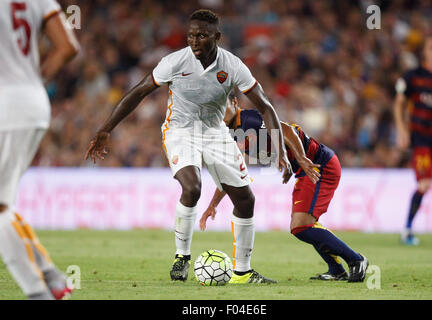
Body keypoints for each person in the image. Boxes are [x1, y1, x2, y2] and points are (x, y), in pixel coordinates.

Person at [85, 9, 292, 284]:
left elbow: (265, 106)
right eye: (191, 35)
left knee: (246, 200)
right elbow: (138, 91)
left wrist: (279, 150)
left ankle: (242, 272)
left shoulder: (233, 65)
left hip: (215, 132)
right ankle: (182, 256)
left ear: (217, 37)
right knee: (192, 187)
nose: (194, 41)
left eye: (202, 36)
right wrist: (105, 129)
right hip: (180, 131)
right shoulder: (174, 61)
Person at [200, 97, 369, 282]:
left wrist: (301, 158)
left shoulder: (248, 119)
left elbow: (286, 130)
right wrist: (213, 204)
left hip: (318, 165)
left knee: (301, 226)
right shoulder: (229, 134)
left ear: (234, 102)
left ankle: (356, 260)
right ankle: (337, 269)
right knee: (304, 225)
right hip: (302, 170)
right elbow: (231, 173)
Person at [0, 0, 79, 299]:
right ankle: (53, 279)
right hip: (32, 102)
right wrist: (32, 82)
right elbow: (68, 46)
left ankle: (39, 292)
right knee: (3, 203)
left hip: (5, 107)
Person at [394, 36, 432, 246]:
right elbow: (399, 103)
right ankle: (407, 230)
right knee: (424, 184)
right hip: (423, 141)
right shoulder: (413, 77)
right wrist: (401, 130)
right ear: (425, 52)